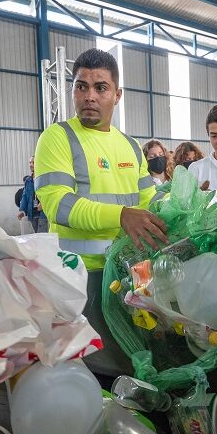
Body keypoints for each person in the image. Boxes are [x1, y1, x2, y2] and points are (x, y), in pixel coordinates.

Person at [34, 49, 168, 269]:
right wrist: (121, 215)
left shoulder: (131, 146)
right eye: (81, 86)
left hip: (128, 271)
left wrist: (183, 202)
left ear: (117, 95)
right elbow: (59, 205)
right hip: (75, 274)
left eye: (101, 88)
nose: (89, 96)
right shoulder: (57, 137)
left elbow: (149, 202)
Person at [17, 156, 48, 233]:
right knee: (36, 237)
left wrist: (43, 204)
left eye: (33, 162)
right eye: (30, 162)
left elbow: (49, 193)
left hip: (43, 214)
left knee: (42, 237)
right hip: (32, 214)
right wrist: (22, 210)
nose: (31, 165)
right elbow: (25, 196)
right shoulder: (28, 180)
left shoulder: (44, 178)